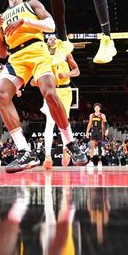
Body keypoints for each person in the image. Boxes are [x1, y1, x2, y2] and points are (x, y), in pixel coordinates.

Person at [0, 0, 88, 173]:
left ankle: (70, 142)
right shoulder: (1, 19)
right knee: (1, 96)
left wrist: (25, 22)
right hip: (16, 58)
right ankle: (25, 151)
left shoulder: (31, 4)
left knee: (50, 94)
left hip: (37, 51)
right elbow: (2, 53)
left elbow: (51, 25)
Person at [41, 34, 80, 170]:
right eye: (49, 38)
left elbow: (77, 71)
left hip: (65, 91)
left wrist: (66, 75)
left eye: (54, 37)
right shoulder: (43, 54)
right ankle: (47, 156)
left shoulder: (65, 52)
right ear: (46, 41)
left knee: (63, 123)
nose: (51, 39)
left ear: (57, 40)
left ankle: (65, 150)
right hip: (50, 90)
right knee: (50, 122)